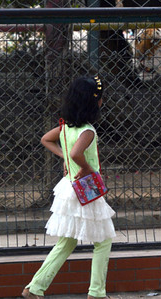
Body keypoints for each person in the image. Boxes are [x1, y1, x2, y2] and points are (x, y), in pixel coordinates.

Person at [22, 75, 116, 299]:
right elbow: (76, 153)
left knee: (66, 242)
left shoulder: (65, 128)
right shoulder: (88, 131)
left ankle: (34, 288)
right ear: (92, 103)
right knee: (103, 241)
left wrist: (66, 158)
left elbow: (46, 139)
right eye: (100, 98)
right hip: (87, 189)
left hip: (69, 188)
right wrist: (84, 166)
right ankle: (97, 293)